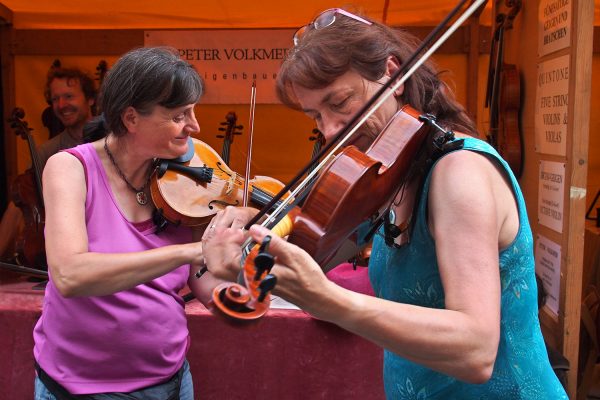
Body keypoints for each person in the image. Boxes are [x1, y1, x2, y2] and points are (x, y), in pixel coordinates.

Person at [201, 8, 569, 399]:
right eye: (315, 117)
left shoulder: (459, 172)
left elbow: (476, 351)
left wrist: (330, 301)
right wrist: (246, 261)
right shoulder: (390, 178)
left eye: (340, 102)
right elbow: (314, 263)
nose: (330, 131)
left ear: (392, 75)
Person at [33, 46, 221, 399]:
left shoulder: (183, 171)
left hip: (172, 378)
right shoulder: (70, 168)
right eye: (180, 115)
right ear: (131, 119)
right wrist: (190, 251)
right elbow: (70, 275)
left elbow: (199, 273)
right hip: (83, 386)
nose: (194, 127)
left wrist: (228, 294)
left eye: (193, 112)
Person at [0, 67, 96, 263]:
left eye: (69, 96)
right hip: (67, 247)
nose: (61, 105)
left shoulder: (113, 141)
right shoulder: (47, 151)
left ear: (90, 99)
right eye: (55, 99)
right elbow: (20, 204)